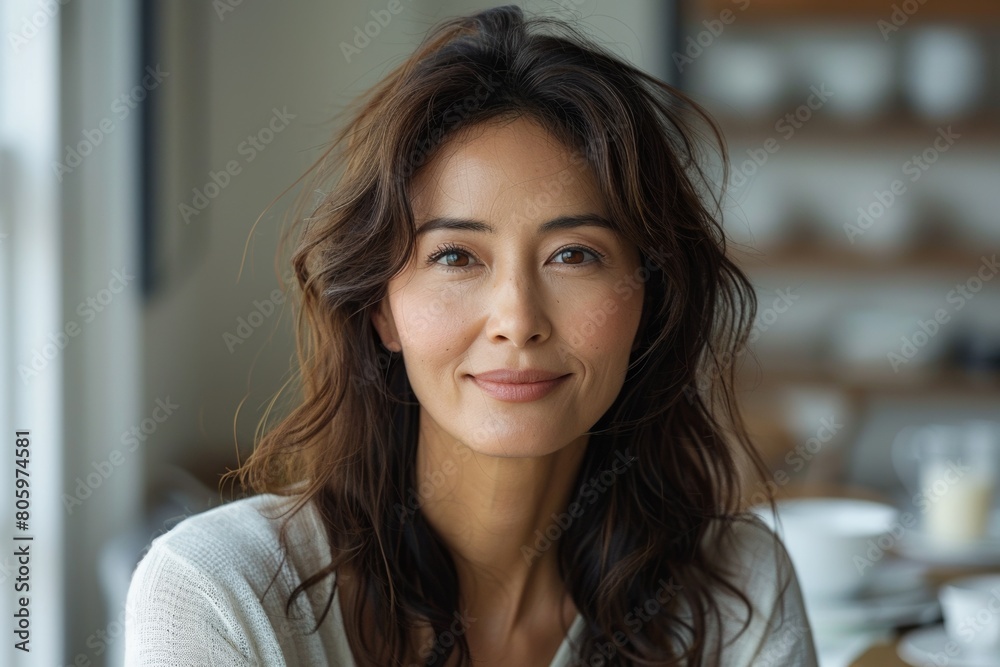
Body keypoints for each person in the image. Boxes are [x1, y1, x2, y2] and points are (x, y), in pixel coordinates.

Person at [124, 5, 819, 666]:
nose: (517, 319)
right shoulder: (220, 593)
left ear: (649, 299)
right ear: (380, 308)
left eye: (574, 254)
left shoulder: (739, 592)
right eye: (455, 256)